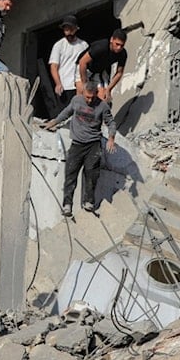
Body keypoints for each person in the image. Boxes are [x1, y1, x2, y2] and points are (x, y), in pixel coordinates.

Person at [45, 81, 116, 217]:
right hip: (77, 144)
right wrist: (54, 122)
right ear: (83, 93)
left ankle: (88, 202)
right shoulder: (76, 101)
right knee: (70, 174)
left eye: (92, 97)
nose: (89, 100)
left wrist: (111, 138)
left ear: (96, 94)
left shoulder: (102, 106)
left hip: (93, 144)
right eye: (87, 97)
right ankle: (67, 204)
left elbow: (111, 122)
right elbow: (66, 112)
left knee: (91, 173)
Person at [48, 15, 89, 109]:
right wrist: (58, 83)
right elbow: (53, 66)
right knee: (65, 116)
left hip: (80, 86)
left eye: (71, 29)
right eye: (66, 30)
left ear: (76, 29)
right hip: (65, 87)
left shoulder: (84, 45)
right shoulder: (59, 45)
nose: (68, 32)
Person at [77, 27, 128, 102]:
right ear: (111, 40)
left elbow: (119, 73)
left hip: (99, 71)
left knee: (103, 97)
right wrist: (85, 84)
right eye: (117, 44)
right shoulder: (101, 47)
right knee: (82, 95)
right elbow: (82, 62)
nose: (119, 48)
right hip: (84, 68)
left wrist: (109, 89)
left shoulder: (122, 54)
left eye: (122, 45)